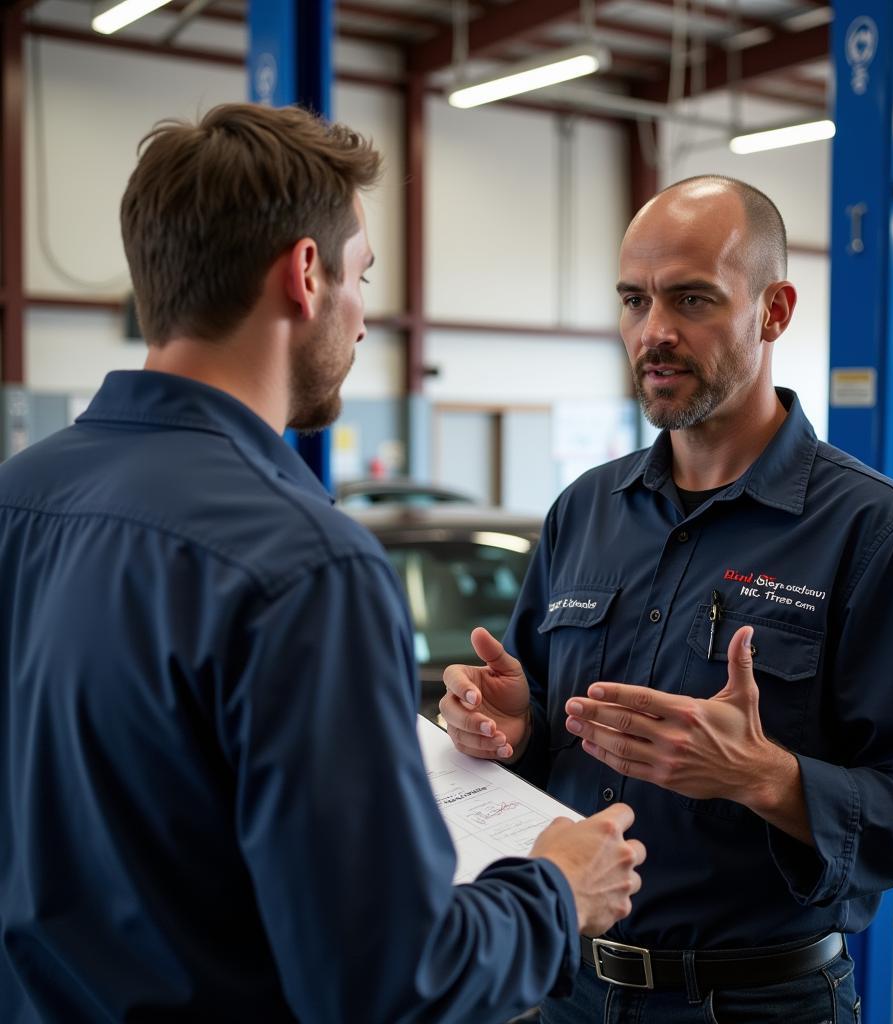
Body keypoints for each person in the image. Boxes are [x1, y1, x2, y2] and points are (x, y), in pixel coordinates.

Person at [0, 103, 647, 1024]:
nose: (364, 318)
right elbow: (387, 981)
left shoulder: (17, 496)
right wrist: (556, 889)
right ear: (307, 273)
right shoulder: (302, 566)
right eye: (363, 277)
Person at [440, 175, 893, 1023]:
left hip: (760, 1003)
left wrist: (766, 779)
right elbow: (546, 747)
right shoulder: (583, 511)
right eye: (633, 300)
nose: (653, 332)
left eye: (692, 299)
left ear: (774, 310)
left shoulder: (870, 530)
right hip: (570, 992)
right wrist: (513, 732)